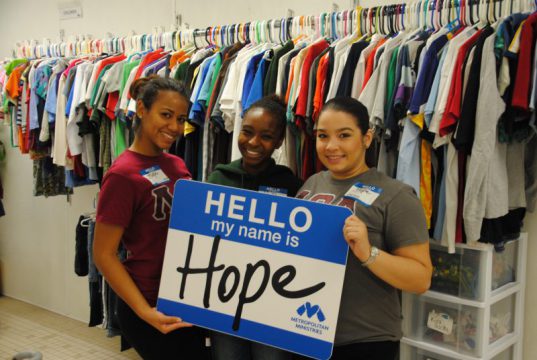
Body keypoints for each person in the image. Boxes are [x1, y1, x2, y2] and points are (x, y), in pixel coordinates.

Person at [296, 97, 433, 360]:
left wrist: (368, 253)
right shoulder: (310, 184)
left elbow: (420, 278)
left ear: (367, 138)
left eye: (344, 135)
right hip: (305, 330)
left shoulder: (397, 195)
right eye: (323, 136)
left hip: (365, 342)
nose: (331, 146)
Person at [93, 76, 207, 359]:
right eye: (165, 115)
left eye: (180, 119)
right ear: (142, 110)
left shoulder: (176, 164)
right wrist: (145, 311)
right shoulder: (122, 175)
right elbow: (103, 254)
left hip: (185, 296)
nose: (174, 127)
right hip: (149, 302)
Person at [208, 95, 302, 360]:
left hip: (272, 306)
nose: (253, 142)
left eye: (266, 136)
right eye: (247, 132)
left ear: (280, 141)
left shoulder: (291, 186)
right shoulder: (218, 179)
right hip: (224, 301)